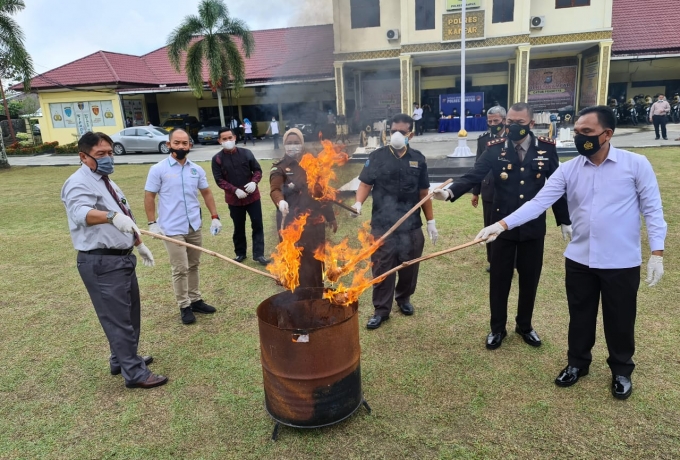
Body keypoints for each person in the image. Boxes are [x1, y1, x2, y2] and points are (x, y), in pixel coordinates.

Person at [476, 106, 667, 400]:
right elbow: (539, 203)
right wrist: (501, 225)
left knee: (620, 318)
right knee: (580, 316)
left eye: (587, 133)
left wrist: (657, 252)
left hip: (621, 260)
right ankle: (578, 363)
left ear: (607, 134)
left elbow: (653, 210)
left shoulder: (635, 165)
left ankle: (621, 370)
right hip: (580, 258)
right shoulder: (569, 169)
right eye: (577, 132)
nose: (580, 138)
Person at [434, 102, 572, 349]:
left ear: (531, 123)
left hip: (532, 228)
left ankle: (524, 325)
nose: (512, 127)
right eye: (509, 122)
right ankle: (497, 328)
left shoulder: (546, 149)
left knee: (530, 279)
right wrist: (450, 193)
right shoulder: (495, 148)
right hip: (499, 227)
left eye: (519, 123)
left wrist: (564, 220)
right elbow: (474, 174)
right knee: (499, 279)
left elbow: (556, 187)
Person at [61, 131, 167, 389]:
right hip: (101, 262)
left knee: (129, 314)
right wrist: (110, 217)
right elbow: (80, 213)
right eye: (101, 154)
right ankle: (135, 373)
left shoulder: (106, 180)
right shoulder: (78, 183)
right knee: (117, 318)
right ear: (83, 157)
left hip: (121, 259)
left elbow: (125, 216)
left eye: (110, 152)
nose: (108, 158)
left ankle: (121, 359)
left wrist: (139, 245)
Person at [351, 113, 438, 330]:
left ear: (411, 134)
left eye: (402, 131)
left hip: (411, 226)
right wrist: (358, 204)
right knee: (381, 267)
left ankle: (404, 298)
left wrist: (430, 222)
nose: (397, 135)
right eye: (393, 131)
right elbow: (364, 184)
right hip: (382, 224)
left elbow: (424, 192)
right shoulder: (378, 157)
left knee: (409, 266)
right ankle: (381, 309)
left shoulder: (418, 158)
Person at [144, 128, 223, 325]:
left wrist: (215, 216)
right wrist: (152, 224)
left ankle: (195, 300)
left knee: (194, 265)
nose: (181, 146)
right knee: (180, 268)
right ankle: (184, 305)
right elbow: (149, 196)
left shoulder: (196, 169)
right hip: (172, 229)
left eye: (185, 143)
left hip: (193, 225)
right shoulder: (158, 169)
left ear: (190, 145)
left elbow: (206, 193)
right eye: (177, 143)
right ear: (169, 144)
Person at [270, 128, 338, 288]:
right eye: (289, 143)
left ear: (302, 144)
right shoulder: (279, 168)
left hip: (314, 222)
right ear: (284, 145)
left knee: (316, 262)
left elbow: (323, 194)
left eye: (296, 143)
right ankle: (296, 301)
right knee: (295, 264)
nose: (292, 146)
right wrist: (280, 202)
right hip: (291, 223)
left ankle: (316, 297)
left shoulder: (312, 164)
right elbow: (275, 189)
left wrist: (331, 217)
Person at [212, 127, 270, 265]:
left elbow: (257, 170)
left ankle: (259, 254)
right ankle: (240, 253)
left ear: (235, 138)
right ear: (219, 141)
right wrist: (234, 190)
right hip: (234, 200)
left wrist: (254, 182)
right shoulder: (217, 159)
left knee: (257, 225)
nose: (228, 141)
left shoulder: (246, 153)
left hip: (252, 197)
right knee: (238, 227)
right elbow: (219, 180)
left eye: (230, 138)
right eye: (224, 139)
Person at [470, 105, 506, 273]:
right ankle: (493, 261)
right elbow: (478, 167)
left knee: (507, 226)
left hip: (508, 190)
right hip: (489, 189)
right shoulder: (483, 140)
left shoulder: (512, 138)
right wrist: (475, 192)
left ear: (504, 121)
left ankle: (510, 262)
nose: (493, 124)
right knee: (489, 225)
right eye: (490, 121)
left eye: (496, 121)